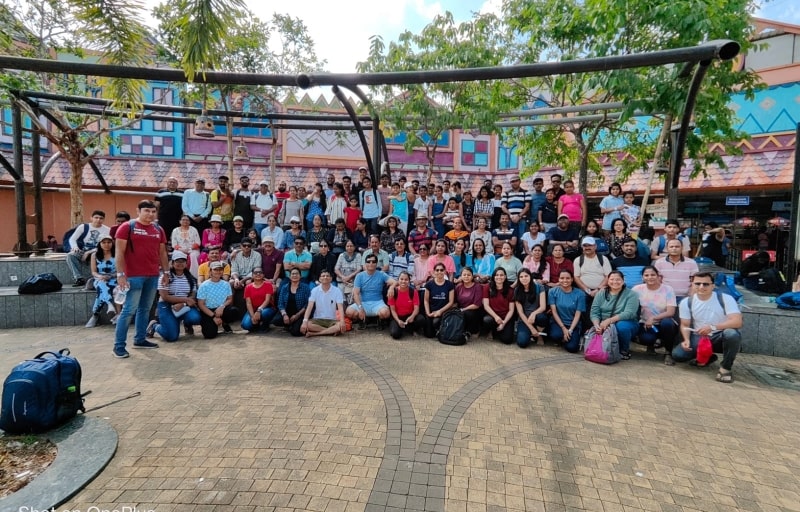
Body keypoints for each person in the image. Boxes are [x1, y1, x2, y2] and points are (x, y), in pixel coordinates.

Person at [113, 200, 169, 358]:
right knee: (128, 310)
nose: (150, 214)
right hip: (133, 276)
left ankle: (140, 339)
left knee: (145, 309)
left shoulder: (158, 229)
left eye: (153, 211)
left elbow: (162, 252)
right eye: (147, 211)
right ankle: (118, 346)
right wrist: (120, 275)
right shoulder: (127, 227)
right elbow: (119, 252)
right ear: (138, 211)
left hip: (152, 275)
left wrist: (166, 272)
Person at [672, 272, 743, 383]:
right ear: (692, 285)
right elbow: (685, 325)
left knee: (731, 334)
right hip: (699, 336)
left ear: (713, 286)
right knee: (678, 355)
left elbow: (737, 322)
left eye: (705, 284)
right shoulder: (686, 302)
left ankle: (725, 368)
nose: (701, 287)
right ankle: (707, 357)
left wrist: (713, 327)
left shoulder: (725, 298)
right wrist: (686, 340)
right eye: (697, 284)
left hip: (720, 335)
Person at [146, 251, 202, 341]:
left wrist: (183, 304)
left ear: (186, 263)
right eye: (177, 261)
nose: (180, 263)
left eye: (183, 261)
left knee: (195, 318)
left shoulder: (191, 278)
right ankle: (155, 325)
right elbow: (165, 296)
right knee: (171, 337)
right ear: (172, 263)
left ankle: (186, 324)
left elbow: (192, 296)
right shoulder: (165, 277)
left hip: (184, 306)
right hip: (167, 305)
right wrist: (185, 300)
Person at [589, 270, 640, 360]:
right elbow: (594, 311)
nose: (615, 282)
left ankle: (624, 350)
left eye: (618, 279)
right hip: (604, 323)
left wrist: (609, 321)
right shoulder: (601, 293)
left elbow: (629, 313)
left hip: (625, 322)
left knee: (622, 326)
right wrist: (597, 325)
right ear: (608, 281)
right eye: (612, 279)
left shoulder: (632, 294)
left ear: (623, 281)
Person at [633, 266, 678, 364]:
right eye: (646, 275)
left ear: (658, 276)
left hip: (663, 322)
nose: (650, 277)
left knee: (667, 324)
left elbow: (670, 312)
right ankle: (652, 345)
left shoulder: (668, 289)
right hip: (645, 323)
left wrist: (653, 318)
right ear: (642, 277)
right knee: (647, 339)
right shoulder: (637, 289)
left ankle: (668, 352)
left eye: (653, 275)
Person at [346, 254, 396, 323]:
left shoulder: (381, 274)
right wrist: (360, 308)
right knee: (349, 312)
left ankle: (377, 320)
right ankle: (363, 320)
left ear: (376, 263)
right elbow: (356, 294)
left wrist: (391, 288)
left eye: (373, 261)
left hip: (378, 303)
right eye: (368, 261)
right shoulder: (359, 276)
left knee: (385, 313)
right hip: (363, 303)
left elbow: (394, 282)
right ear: (365, 263)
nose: (371, 263)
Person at [66, 210, 110, 286]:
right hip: (84, 250)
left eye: (101, 218)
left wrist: (89, 252)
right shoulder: (83, 227)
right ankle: (79, 278)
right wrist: (75, 247)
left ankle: (98, 278)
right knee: (71, 255)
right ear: (91, 218)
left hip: (99, 251)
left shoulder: (107, 230)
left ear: (103, 220)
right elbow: (72, 239)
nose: (98, 220)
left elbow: (107, 245)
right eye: (96, 217)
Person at [548, 269, 586, 352]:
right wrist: (563, 328)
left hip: (573, 324)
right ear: (558, 279)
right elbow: (554, 312)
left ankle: (567, 339)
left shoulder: (580, 294)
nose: (565, 280)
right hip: (558, 322)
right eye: (562, 278)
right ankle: (563, 339)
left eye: (568, 278)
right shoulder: (552, 292)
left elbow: (578, 314)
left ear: (572, 279)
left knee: (572, 348)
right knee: (555, 335)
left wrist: (570, 330)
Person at [85, 234, 119, 328]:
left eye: (109, 242)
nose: (106, 244)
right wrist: (101, 276)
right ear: (99, 243)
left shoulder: (117, 254)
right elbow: (94, 272)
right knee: (102, 284)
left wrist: (110, 276)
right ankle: (109, 303)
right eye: (104, 242)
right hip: (99, 278)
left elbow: (120, 271)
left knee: (102, 289)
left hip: (113, 278)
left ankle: (95, 314)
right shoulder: (94, 255)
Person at [301, 269, 346, 337]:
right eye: (323, 276)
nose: (325, 277)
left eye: (327, 276)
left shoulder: (337, 291)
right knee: (308, 325)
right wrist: (304, 321)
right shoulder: (314, 290)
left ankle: (314, 334)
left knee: (339, 326)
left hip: (332, 320)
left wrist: (342, 321)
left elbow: (340, 307)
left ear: (331, 279)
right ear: (319, 279)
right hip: (317, 319)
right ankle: (331, 331)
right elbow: (309, 307)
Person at [514, 268, 548, 347]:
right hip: (524, 319)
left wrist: (533, 314)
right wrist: (531, 328)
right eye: (521, 277)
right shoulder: (517, 290)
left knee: (542, 317)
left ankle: (539, 335)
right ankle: (531, 332)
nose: (524, 278)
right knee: (522, 343)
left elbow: (543, 307)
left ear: (530, 277)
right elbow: (520, 312)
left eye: (526, 276)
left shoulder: (539, 287)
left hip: (537, 317)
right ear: (518, 279)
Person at [573, 237, 612, 303]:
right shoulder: (578, 260)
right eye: (585, 245)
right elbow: (576, 277)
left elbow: (608, 276)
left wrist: (598, 289)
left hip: (601, 290)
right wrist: (587, 290)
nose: (587, 247)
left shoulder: (603, 259)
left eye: (590, 245)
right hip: (584, 292)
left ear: (595, 246)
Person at [482, 267, 516, 344]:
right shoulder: (487, 287)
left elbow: (511, 310)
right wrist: (496, 317)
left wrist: (504, 323)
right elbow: (486, 305)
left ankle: (499, 330)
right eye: (497, 275)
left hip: (506, 317)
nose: (499, 277)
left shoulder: (510, 290)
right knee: (487, 320)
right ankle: (492, 330)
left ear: (505, 277)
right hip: (493, 316)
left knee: (507, 340)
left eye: (501, 275)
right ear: (493, 277)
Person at [422, 262, 455, 337]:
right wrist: (428, 313)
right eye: (437, 270)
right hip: (431, 311)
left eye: (441, 270)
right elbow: (426, 300)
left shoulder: (450, 285)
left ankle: (441, 329)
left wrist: (440, 311)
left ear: (445, 271)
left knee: (435, 322)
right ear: (434, 272)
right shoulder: (429, 284)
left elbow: (451, 302)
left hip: (444, 311)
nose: (439, 272)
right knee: (429, 335)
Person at [274, 268, 310, 336]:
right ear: (289, 276)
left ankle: (293, 325)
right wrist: (284, 315)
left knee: (295, 333)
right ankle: (289, 324)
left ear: (300, 276)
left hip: (300, 314)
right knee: (276, 320)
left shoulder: (305, 287)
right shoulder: (285, 287)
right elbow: (280, 303)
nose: (295, 275)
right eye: (293, 274)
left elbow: (307, 304)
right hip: (287, 312)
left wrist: (297, 315)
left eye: (297, 274)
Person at [387, 271, 423, 339]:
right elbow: (392, 310)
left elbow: (416, 308)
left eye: (406, 279)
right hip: (397, 316)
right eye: (401, 279)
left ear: (409, 281)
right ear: (398, 280)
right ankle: (403, 328)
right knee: (395, 334)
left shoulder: (413, 291)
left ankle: (410, 328)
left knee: (421, 319)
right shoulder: (393, 292)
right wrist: (398, 320)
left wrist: (412, 316)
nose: (403, 281)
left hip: (409, 316)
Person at [502, 175, 531, 250]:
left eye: (516, 181)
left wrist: (519, 216)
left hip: (522, 219)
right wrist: (511, 215)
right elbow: (503, 207)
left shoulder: (526, 192)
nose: (514, 183)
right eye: (512, 181)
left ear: (520, 181)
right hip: (510, 219)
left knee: (522, 238)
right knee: (510, 238)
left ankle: (521, 255)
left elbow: (527, 206)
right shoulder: (506, 193)